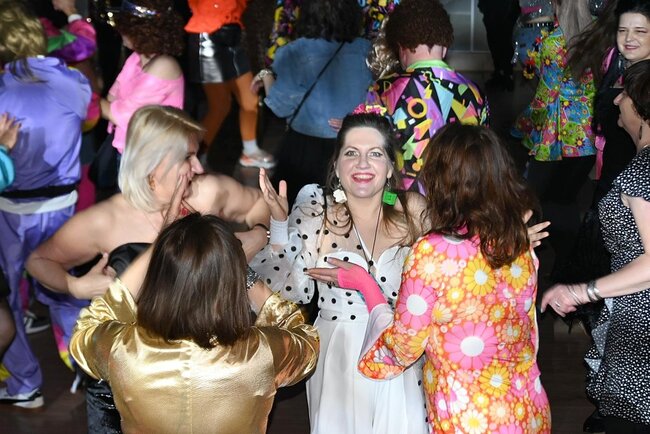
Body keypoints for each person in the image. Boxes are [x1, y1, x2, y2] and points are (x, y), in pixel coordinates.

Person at [26, 105, 271, 432]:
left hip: (204, 367)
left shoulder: (206, 193)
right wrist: (75, 286)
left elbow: (260, 203)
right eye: (188, 157)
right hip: (129, 380)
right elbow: (38, 261)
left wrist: (258, 234)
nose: (199, 166)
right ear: (154, 163)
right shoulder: (105, 221)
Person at [309, 123, 552, 433]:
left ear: (440, 180)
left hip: (468, 417)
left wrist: (366, 286)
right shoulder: (518, 243)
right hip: (528, 409)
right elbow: (528, 333)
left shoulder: (433, 252)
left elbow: (401, 349)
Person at [251, 111, 430, 434]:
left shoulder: (413, 209)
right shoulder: (317, 205)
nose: (362, 164)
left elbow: (449, 274)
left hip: (401, 348)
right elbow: (291, 288)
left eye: (375, 154)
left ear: (390, 167)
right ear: (336, 165)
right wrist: (279, 224)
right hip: (339, 351)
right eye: (351, 153)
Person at [69, 213, 319, 434]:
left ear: (159, 279)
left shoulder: (123, 348)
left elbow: (87, 328)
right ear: (231, 283)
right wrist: (243, 272)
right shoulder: (262, 352)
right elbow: (305, 339)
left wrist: (155, 249)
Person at [542, 59, 650, 433]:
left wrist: (582, 291)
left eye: (626, 93)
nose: (617, 99)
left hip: (641, 328)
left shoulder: (644, 172)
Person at [0, 0, 91, 409]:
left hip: (11, 214)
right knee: (65, 288)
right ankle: (86, 368)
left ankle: (24, 384)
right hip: (62, 208)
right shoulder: (74, 81)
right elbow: (86, 118)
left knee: (9, 300)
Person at [252, 0, 373, 205]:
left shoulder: (294, 52)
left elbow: (281, 107)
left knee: (299, 212)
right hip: (351, 145)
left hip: (304, 150)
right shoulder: (366, 50)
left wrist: (266, 75)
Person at [366, 0, 489, 193]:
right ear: (445, 46)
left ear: (401, 47)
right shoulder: (474, 92)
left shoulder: (383, 90)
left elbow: (371, 153)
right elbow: (482, 156)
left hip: (400, 201)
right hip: (456, 200)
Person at [512, 0, 596, 276]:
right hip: (588, 137)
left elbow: (545, 96)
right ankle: (567, 264)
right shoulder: (599, 38)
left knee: (533, 200)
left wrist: (522, 126)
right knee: (567, 199)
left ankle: (527, 263)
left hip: (555, 139)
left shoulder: (553, 42)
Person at [93, 0, 185, 192]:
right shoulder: (136, 59)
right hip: (129, 151)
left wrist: (81, 94)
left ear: (141, 30)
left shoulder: (164, 65)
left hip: (153, 160)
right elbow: (111, 98)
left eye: (124, 26)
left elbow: (125, 115)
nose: (119, 31)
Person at [185, 0, 274, 169]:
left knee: (250, 100)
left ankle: (250, 151)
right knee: (220, 106)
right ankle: (195, 156)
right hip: (207, 35)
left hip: (234, 34)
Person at [478, 0, 520, 91]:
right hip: (492, 10)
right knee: (494, 42)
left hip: (506, 10)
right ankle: (500, 73)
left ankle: (507, 74)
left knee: (505, 41)